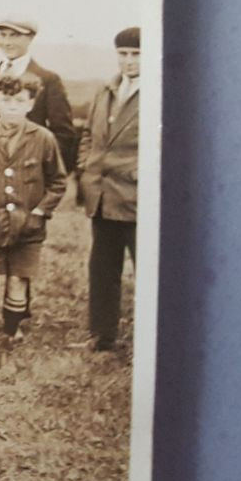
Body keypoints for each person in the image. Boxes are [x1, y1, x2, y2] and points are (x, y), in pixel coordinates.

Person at [0, 72, 67, 366]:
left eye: (20, 101)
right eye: (6, 101)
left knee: (18, 284)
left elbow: (58, 181)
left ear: (31, 104)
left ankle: (9, 341)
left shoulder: (43, 138)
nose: (12, 107)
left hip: (29, 228)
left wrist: (39, 212)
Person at [77, 26, 141, 352]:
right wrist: (86, 167)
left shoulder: (160, 92)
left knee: (145, 270)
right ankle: (101, 335)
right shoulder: (106, 90)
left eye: (136, 55)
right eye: (123, 54)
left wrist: (139, 172)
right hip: (102, 196)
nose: (128, 62)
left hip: (137, 199)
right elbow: (89, 133)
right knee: (103, 268)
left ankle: (153, 342)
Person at [0, 16, 78, 176]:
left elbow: (63, 133)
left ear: (30, 38)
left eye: (14, 36)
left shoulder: (47, 79)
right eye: (3, 35)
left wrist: (42, 169)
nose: (7, 42)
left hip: (27, 175)